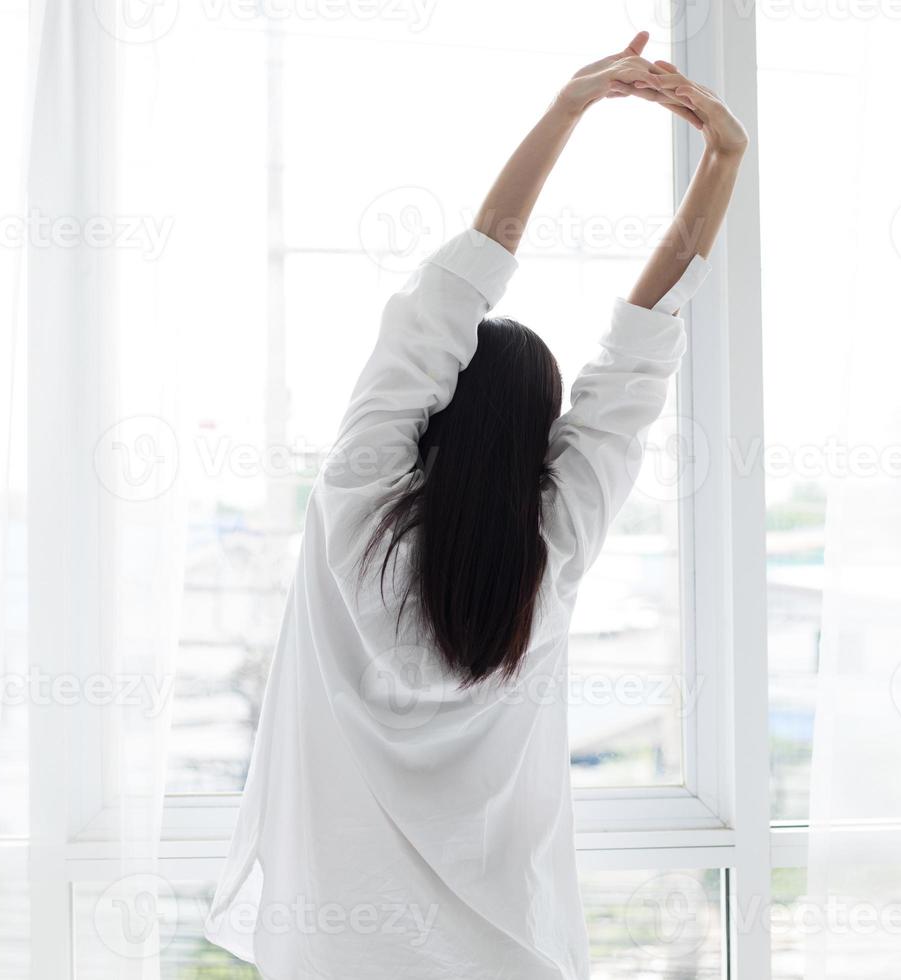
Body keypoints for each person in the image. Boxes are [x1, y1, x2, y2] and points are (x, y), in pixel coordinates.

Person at [204, 31, 748, 979]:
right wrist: (724, 158)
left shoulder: (354, 503)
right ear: (541, 436)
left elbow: (457, 286)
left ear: (433, 417)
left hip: (334, 951)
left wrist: (568, 109)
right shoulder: (554, 546)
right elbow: (637, 354)